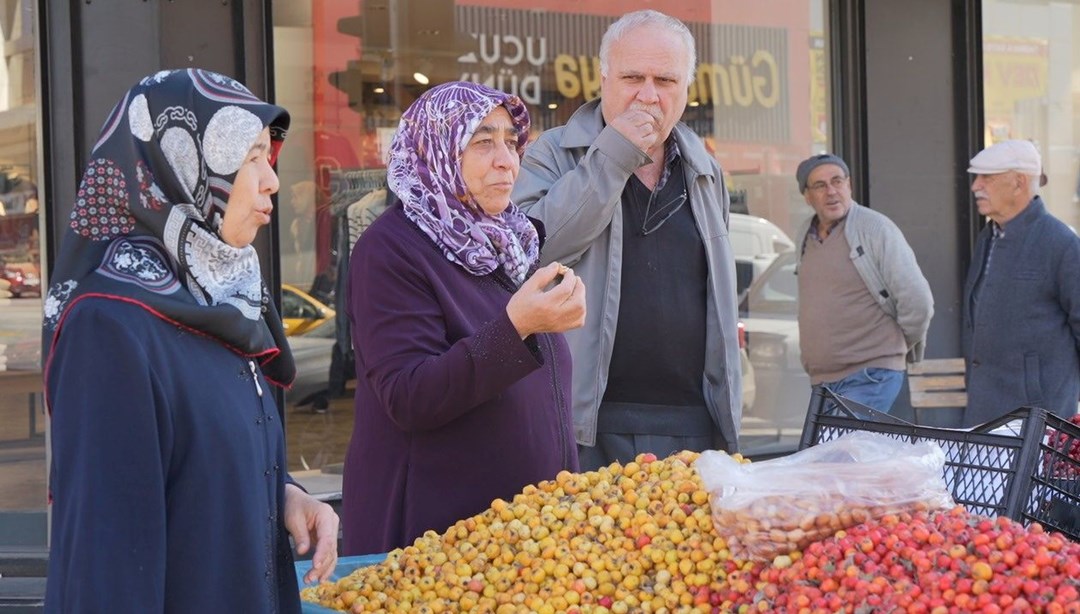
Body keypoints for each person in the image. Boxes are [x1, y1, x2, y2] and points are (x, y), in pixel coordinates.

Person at [41, 69, 339, 612]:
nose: (271, 179)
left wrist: (283, 495)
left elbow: (197, 468)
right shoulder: (109, 327)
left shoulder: (219, 303)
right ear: (182, 166)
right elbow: (106, 569)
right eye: (249, 157)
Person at [342, 81, 585, 554]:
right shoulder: (391, 249)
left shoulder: (508, 242)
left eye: (511, 142)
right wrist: (517, 327)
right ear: (438, 150)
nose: (506, 160)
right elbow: (408, 394)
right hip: (436, 543)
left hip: (523, 537)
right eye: (482, 142)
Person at [511, 10, 742, 471]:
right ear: (603, 78)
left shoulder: (704, 167)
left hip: (692, 423)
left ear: (686, 89)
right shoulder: (553, 153)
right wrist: (613, 154)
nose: (648, 94)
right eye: (633, 77)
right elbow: (533, 253)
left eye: (665, 80)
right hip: (585, 424)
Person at [793, 153, 934, 413]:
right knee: (827, 452)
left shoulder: (874, 228)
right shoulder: (805, 233)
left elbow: (918, 301)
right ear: (807, 196)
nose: (831, 191)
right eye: (820, 186)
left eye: (837, 181)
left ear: (849, 185)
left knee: (838, 453)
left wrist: (892, 346)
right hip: (824, 382)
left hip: (870, 376)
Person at [962, 139, 1080, 425]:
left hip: (1037, 419)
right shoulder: (987, 237)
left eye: (986, 178)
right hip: (983, 410)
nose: (976, 186)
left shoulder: (1061, 243)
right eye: (976, 177)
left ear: (1018, 182)